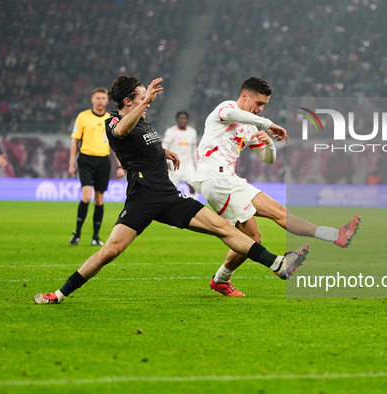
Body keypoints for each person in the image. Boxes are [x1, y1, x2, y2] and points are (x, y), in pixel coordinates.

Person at [33, 76, 308, 305]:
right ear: (129, 101)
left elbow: (140, 143)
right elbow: (121, 134)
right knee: (111, 251)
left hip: (168, 194)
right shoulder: (114, 121)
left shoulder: (141, 121)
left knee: (226, 229)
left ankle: (278, 265)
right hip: (141, 197)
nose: (148, 102)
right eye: (142, 97)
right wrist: (145, 103)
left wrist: (164, 151)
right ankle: (58, 294)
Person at [192, 77, 361, 297]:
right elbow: (233, 115)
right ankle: (222, 279)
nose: (260, 109)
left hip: (232, 179)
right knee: (253, 238)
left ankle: (335, 235)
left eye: (264, 106)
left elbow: (268, 159)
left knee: (281, 212)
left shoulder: (250, 124)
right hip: (215, 180)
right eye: (259, 104)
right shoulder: (227, 108)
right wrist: (268, 123)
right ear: (245, 95)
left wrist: (270, 142)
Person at [68, 88, 125, 247]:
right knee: (86, 197)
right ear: (92, 100)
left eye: (103, 98)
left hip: (103, 161)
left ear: (107, 101)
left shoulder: (111, 119)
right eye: (97, 98)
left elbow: (116, 145)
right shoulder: (83, 117)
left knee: (99, 199)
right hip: (85, 159)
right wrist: (71, 163)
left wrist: (120, 166)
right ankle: (77, 234)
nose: (100, 100)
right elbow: (75, 142)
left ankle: (95, 236)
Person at [162, 111, 198, 197]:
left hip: (188, 165)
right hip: (174, 165)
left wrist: (196, 164)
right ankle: (170, 207)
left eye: (185, 118)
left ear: (188, 120)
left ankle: (192, 207)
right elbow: (164, 147)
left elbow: (193, 150)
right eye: (181, 118)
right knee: (170, 189)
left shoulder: (192, 132)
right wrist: (166, 162)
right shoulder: (171, 131)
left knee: (192, 187)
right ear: (177, 119)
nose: (183, 120)